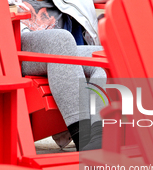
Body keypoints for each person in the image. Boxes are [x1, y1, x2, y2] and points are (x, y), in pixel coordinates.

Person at [19, 0, 109, 151]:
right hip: (19, 46)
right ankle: (84, 140)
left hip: (67, 48)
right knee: (61, 40)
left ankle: (99, 137)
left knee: (102, 56)